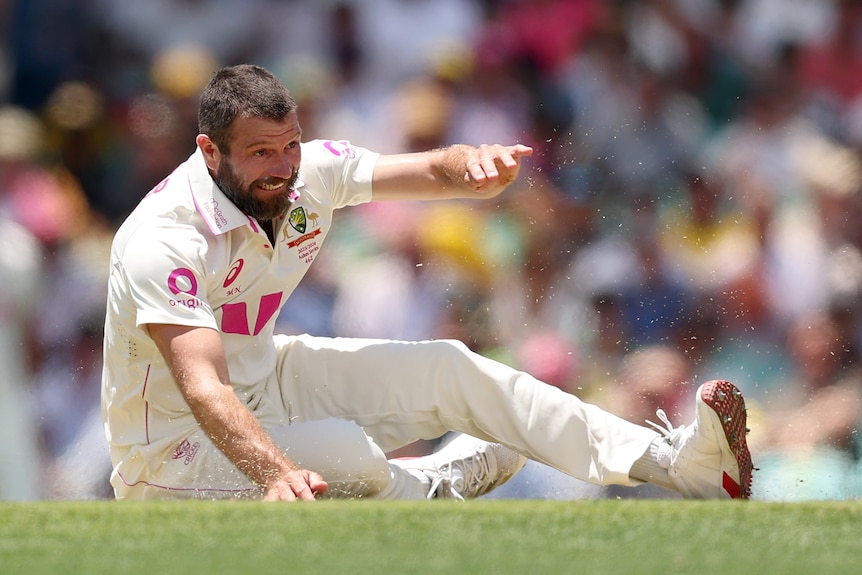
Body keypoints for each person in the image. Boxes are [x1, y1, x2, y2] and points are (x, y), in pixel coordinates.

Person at [101, 63, 753, 502]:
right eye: (261, 153)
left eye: (290, 145)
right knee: (345, 455)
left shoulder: (310, 174)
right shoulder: (165, 238)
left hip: (266, 374)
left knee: (451, 368)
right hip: (173, 450)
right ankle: (435, 480)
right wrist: (276, 473)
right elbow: (203, 386)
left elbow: (426, 171)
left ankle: (677, 465)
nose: (283, 169)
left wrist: (468, 164)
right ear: (209, 152)